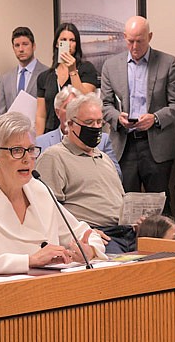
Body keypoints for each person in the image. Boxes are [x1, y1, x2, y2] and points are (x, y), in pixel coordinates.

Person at [0, 111, 107, 276]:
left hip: (51, 289)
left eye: (30, 149)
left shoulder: (39, 190)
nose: (27, 159)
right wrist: (29, 260)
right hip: (0, 295)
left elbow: (83, 233)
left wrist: (90, 251)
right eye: (17, 150)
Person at [101, 16, 175, 213]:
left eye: (140, 40)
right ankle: (129, 244)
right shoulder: (110, 66)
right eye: (130, 41)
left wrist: (154, 119)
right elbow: (104, 104)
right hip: (124, 144)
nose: (135, 46)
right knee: (126, 205)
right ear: (124, 37)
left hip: (156, 144)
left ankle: (163, 244)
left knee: (160, 205)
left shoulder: (167, 63)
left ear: (150, 37)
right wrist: (117, 118)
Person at [37, 94, 134, 253]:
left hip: (126, 230)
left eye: (99, 122)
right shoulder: (54, 157)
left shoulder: (103, 157)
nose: (96, 127)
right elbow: (48, 209)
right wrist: (83, 232)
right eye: (89, 122)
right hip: (95, 235)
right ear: (70, 124)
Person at [36, 85, 121, 180]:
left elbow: (116, 175)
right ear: (57, 112)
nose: (72, 112)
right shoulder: (41, 143)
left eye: (99, 121)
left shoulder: (102, 141)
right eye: (68, 107)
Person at [35, 22, 99, 135]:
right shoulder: (45, 77)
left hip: (79, 133)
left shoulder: (87, 69)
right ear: (57, 44)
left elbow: (86, 99)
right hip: (51, 134)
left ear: (77, 44)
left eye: (72, 40)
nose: (68, 44)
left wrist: (73, 70)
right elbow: (41, 115)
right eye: (63, 40)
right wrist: (38, 142)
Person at [0, 26, 48, 115]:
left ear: (34, 46)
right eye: (17, 45)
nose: (21, 49)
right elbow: (1, 113)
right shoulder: (6, 78)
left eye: (25, 44)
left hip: (39, 127)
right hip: (12, 127)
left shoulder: (47, 74)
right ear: (13, 48)